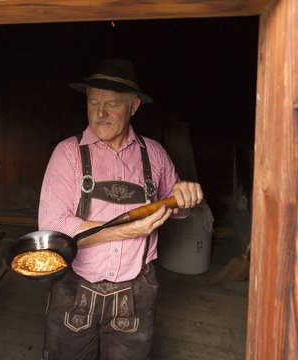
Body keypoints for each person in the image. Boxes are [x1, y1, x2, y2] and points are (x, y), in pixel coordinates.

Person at [37, 59, 203, 360]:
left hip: (137, 291)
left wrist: (185, 198)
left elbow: (177, 209)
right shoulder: (68, 153)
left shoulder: (154, 154)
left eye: (111, 104)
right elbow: (54, 226)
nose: (100, 113)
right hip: (76, 289)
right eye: (93, 102)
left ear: (134, 107)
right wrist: (127, 231)